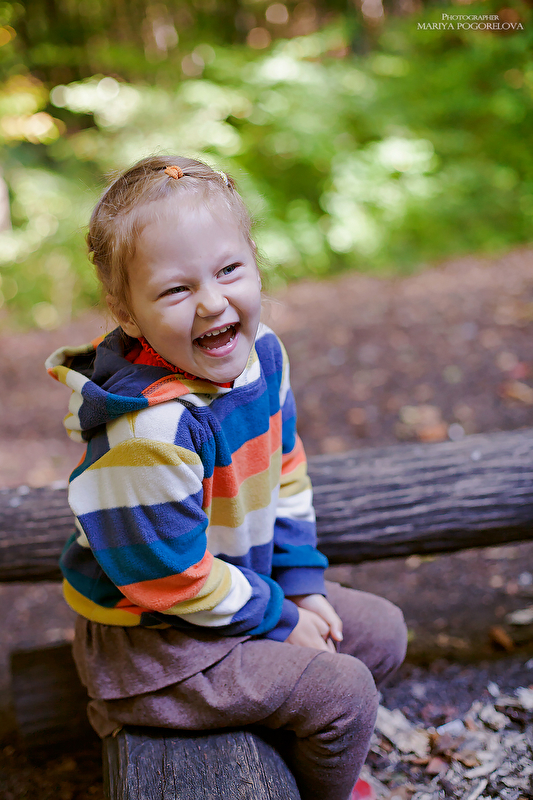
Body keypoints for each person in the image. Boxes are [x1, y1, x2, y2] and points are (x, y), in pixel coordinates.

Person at [46, 155, 407, 800]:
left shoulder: (263, 356)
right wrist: (278, 619)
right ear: (127, 311)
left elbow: (285, 471)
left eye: (229, 270)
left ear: (255, 263)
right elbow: (170, 579)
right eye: (175, 290)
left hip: (232, 597)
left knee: (380, 633)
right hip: (154, 647)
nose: (213, 302)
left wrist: (300, 586)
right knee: (345, 692)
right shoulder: (149, 434)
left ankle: (284, 731)